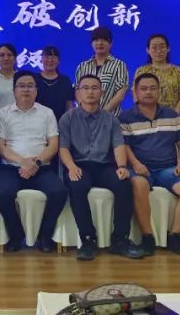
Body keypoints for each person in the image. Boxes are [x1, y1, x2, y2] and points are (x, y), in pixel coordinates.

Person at [58, 75, 145, 261]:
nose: (90, 92)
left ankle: (120, 239)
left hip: (104, 165)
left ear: (102, 92)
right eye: (85, 88)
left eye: (94, 88)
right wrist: (71, 167)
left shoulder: (111, 119)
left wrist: (122, 166)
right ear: (78, 93)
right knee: (77, 186)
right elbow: (63, 148)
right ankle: (88, 239)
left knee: (124, 183)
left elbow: (118, 145)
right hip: (79, 165)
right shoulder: (68, 118)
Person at [118, 73, 180, 257]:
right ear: (135, 93)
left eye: (153, 88)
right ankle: (147, 237)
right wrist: (136, 164)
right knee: (138, 184)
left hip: (167, 169)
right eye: (143, 89)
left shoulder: (172, 115)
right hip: (140, 169)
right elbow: (124, 146)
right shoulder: (125, 117)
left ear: (159, 92)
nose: (148, 92)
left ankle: (175, 236)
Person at [0, 71, 66, 253]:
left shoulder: (47, 113)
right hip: (11, 167)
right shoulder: (3, 113)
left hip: (41, 167)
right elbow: (1, 147)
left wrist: (36, 163)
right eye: (21, 86)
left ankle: (45, 236)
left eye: (30, 86)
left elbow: (54, 144)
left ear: (36, 90)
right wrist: (23, 162)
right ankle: (16, 235)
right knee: (1, 194)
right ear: (14, 90)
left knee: (59, 192)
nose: (26, 90)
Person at [74, 27, 128, 115]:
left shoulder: (119, 65)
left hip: (110, 117)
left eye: (104, 40)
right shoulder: (82, 66)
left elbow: (121, 93)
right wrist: (84, 109)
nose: (99, 43)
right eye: (96, 40)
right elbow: (77, 90)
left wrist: (103, 114)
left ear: (111, 43)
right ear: (91, 44)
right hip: (85, 117)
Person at [134, 34, 180, 115]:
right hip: (147, 117)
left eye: (162, 47)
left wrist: (175, 113)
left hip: (173, 117)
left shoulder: (177, 70)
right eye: (154, 48)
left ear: (168, 48)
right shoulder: (141, 71)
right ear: (147, 50)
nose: (158, 51)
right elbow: (136, 94)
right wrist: (144, 113)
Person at [35, 45, 75, 122]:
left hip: (60, 123)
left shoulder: (65, 80)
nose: (50, 60)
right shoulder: (34, 79)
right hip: (38, 123)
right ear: (41, 60)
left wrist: (69, 122)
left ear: (58, 61)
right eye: (47, 57)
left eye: (53, 57)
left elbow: (69, 104)